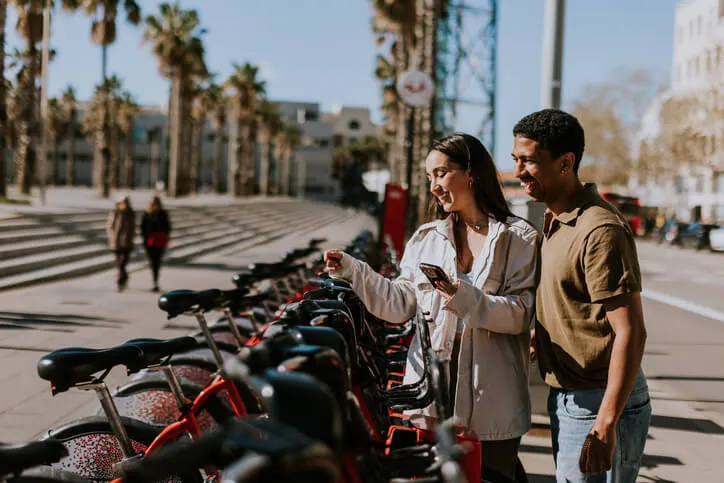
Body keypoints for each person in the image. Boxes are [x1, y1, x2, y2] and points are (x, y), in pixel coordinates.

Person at [325, 133, 540, 479]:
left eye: (441, 173)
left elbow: (520, 313)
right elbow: (399, 305)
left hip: (493, 399)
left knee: (491, 476)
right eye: (429, 177)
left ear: (471, 173)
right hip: (432, 392)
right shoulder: (427, 238)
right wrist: (354, 271)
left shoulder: (519, 237)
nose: (434, 186)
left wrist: (462, 298)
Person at [512, 109, 651, 483]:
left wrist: (606, 423)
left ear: (565, 162)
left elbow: (631, 332)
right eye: (516, 160)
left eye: (529, 161)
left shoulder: (599, 229)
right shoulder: (556, 219)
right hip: (569, 397)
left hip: (598, 401)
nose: (518, 172)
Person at [141, 196, 171, 292]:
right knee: (152, 261)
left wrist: (166, 238)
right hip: (150, 241)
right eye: (153, 204)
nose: (154, 206)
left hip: (160, 241)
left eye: (156, 204)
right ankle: (155, 280)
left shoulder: (163, 214)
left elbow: (168, 227)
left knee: (156, 262)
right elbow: (143, 228)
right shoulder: (146, 214)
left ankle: (155, 281)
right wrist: (145, 239)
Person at [106, 195, 136, 292]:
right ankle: (123, 278)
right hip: (116, 243)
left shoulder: (131, 214)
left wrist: (130, 238)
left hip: (127, 243)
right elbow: (110, 227)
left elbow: (132, 228)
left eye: (125, 203)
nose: (124, 205)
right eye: (122, 203)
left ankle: (120, 281)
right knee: (119, 264)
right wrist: (112, 237)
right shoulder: (114, 213)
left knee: (122, 263)